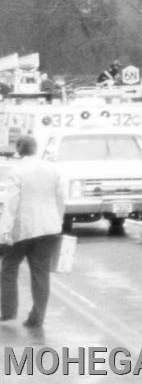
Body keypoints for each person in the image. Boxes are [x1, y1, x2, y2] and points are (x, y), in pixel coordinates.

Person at [0, 135, 66, 328]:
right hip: (49, 228)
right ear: (35, 148)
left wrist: (4, 231)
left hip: (23, 229)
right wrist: (58, 220)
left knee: (9, 267)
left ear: (19, 150)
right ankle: (37, 317)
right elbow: (61, 197)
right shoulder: (52, 169)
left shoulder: (17, 172)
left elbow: (11, 203)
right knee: (41, 272)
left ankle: (8, 310)